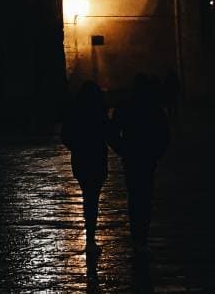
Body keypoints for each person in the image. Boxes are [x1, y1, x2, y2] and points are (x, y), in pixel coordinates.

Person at [110, 74, 170, 252]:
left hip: (131, 157)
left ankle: (136, 234)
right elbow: (164, 134)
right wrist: (157, 153)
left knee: (134, 196)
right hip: (147, 157)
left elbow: (113, 132)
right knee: (145, 196)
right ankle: (142, 234)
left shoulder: (124, 107)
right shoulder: (153, 108)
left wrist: (122, 149)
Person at [60, 81, 109, 259]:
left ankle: (90, 238)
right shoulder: (99, 113)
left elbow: (65, 135)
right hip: (97, 160)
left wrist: (77, 147)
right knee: (92, 198)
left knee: (88, 196)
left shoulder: (75, 113)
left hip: (81, 160)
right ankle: (90, 238)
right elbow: (109, 134)